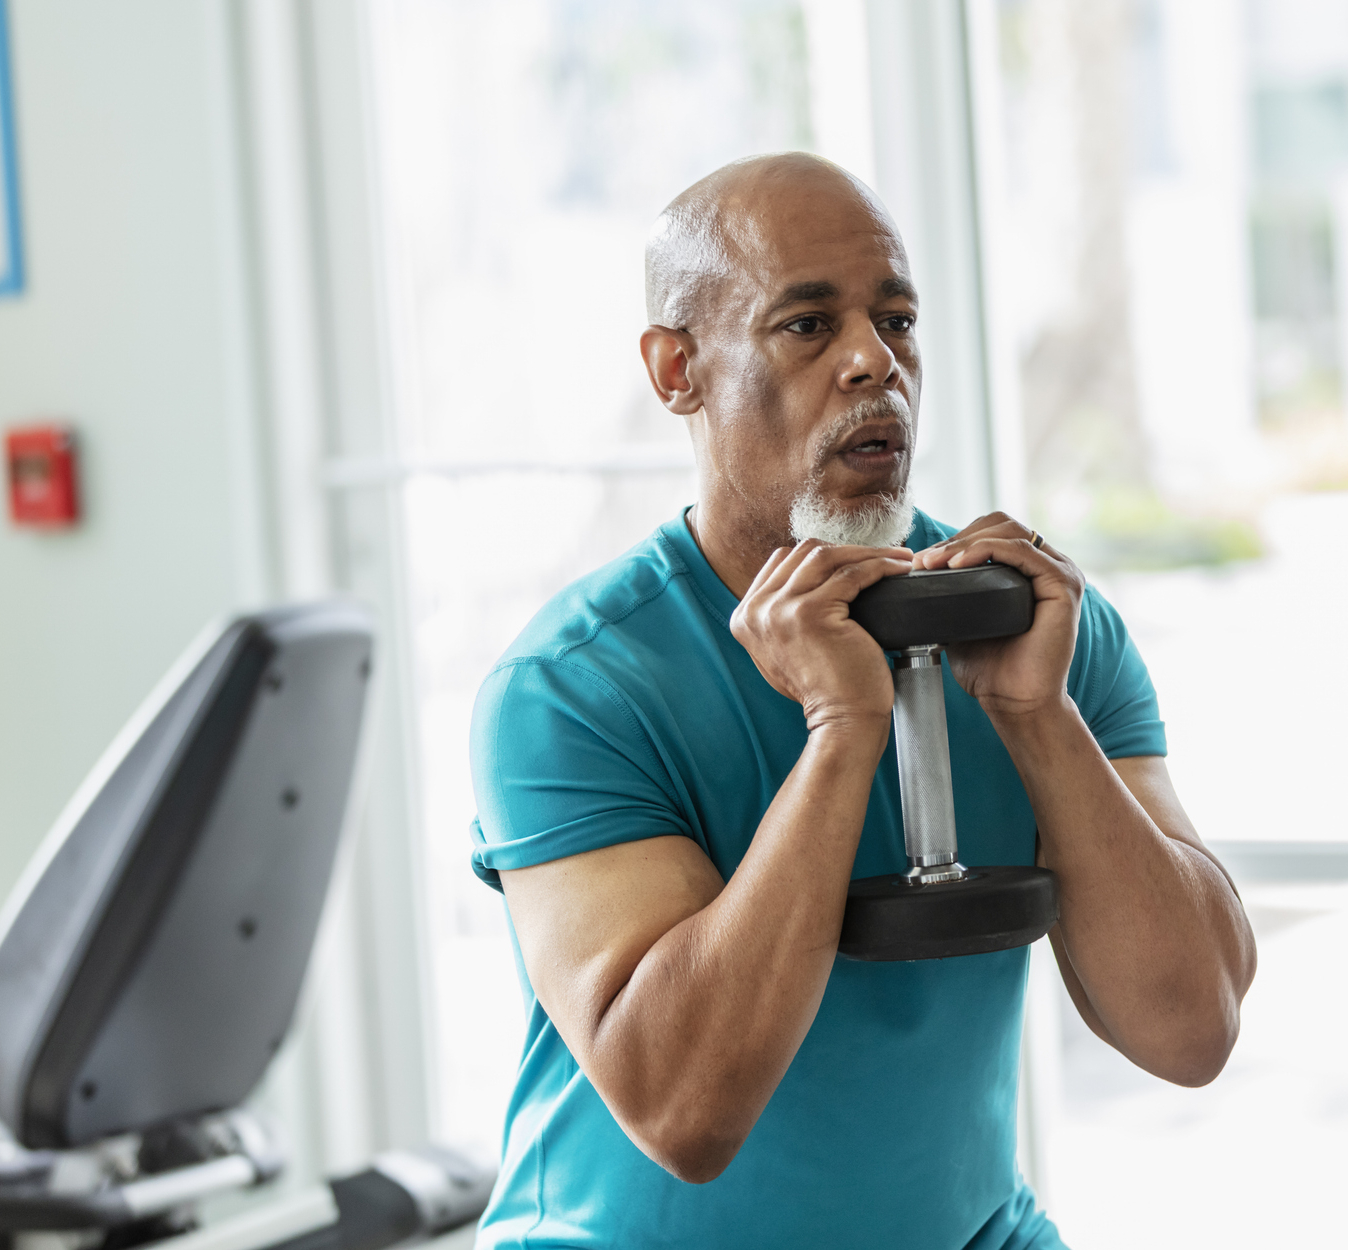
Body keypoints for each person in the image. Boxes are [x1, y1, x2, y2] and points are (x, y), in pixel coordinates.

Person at [466, 152, 1257, 1249]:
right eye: (805, 325)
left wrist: (1037, 718)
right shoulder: (573, 686)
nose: (871, 362)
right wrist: (843, 732)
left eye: (896, 321)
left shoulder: (1041, 626)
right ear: (674, 369)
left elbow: (1190, 1027)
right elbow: (683, 1108)